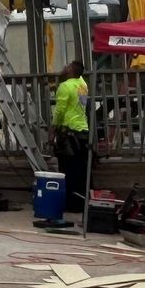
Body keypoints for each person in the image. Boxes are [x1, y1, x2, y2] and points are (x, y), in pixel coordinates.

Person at [52, 59, 93, 215]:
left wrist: (52, 129)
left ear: (70, 71)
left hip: (68, 132)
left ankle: (71, 203)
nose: (64, 67)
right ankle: (81, 202)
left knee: (68, 170)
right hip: (82, 130)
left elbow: (59, 111)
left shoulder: (65, 87)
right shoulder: (82, 84)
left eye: (67, 66)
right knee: (81, 169)